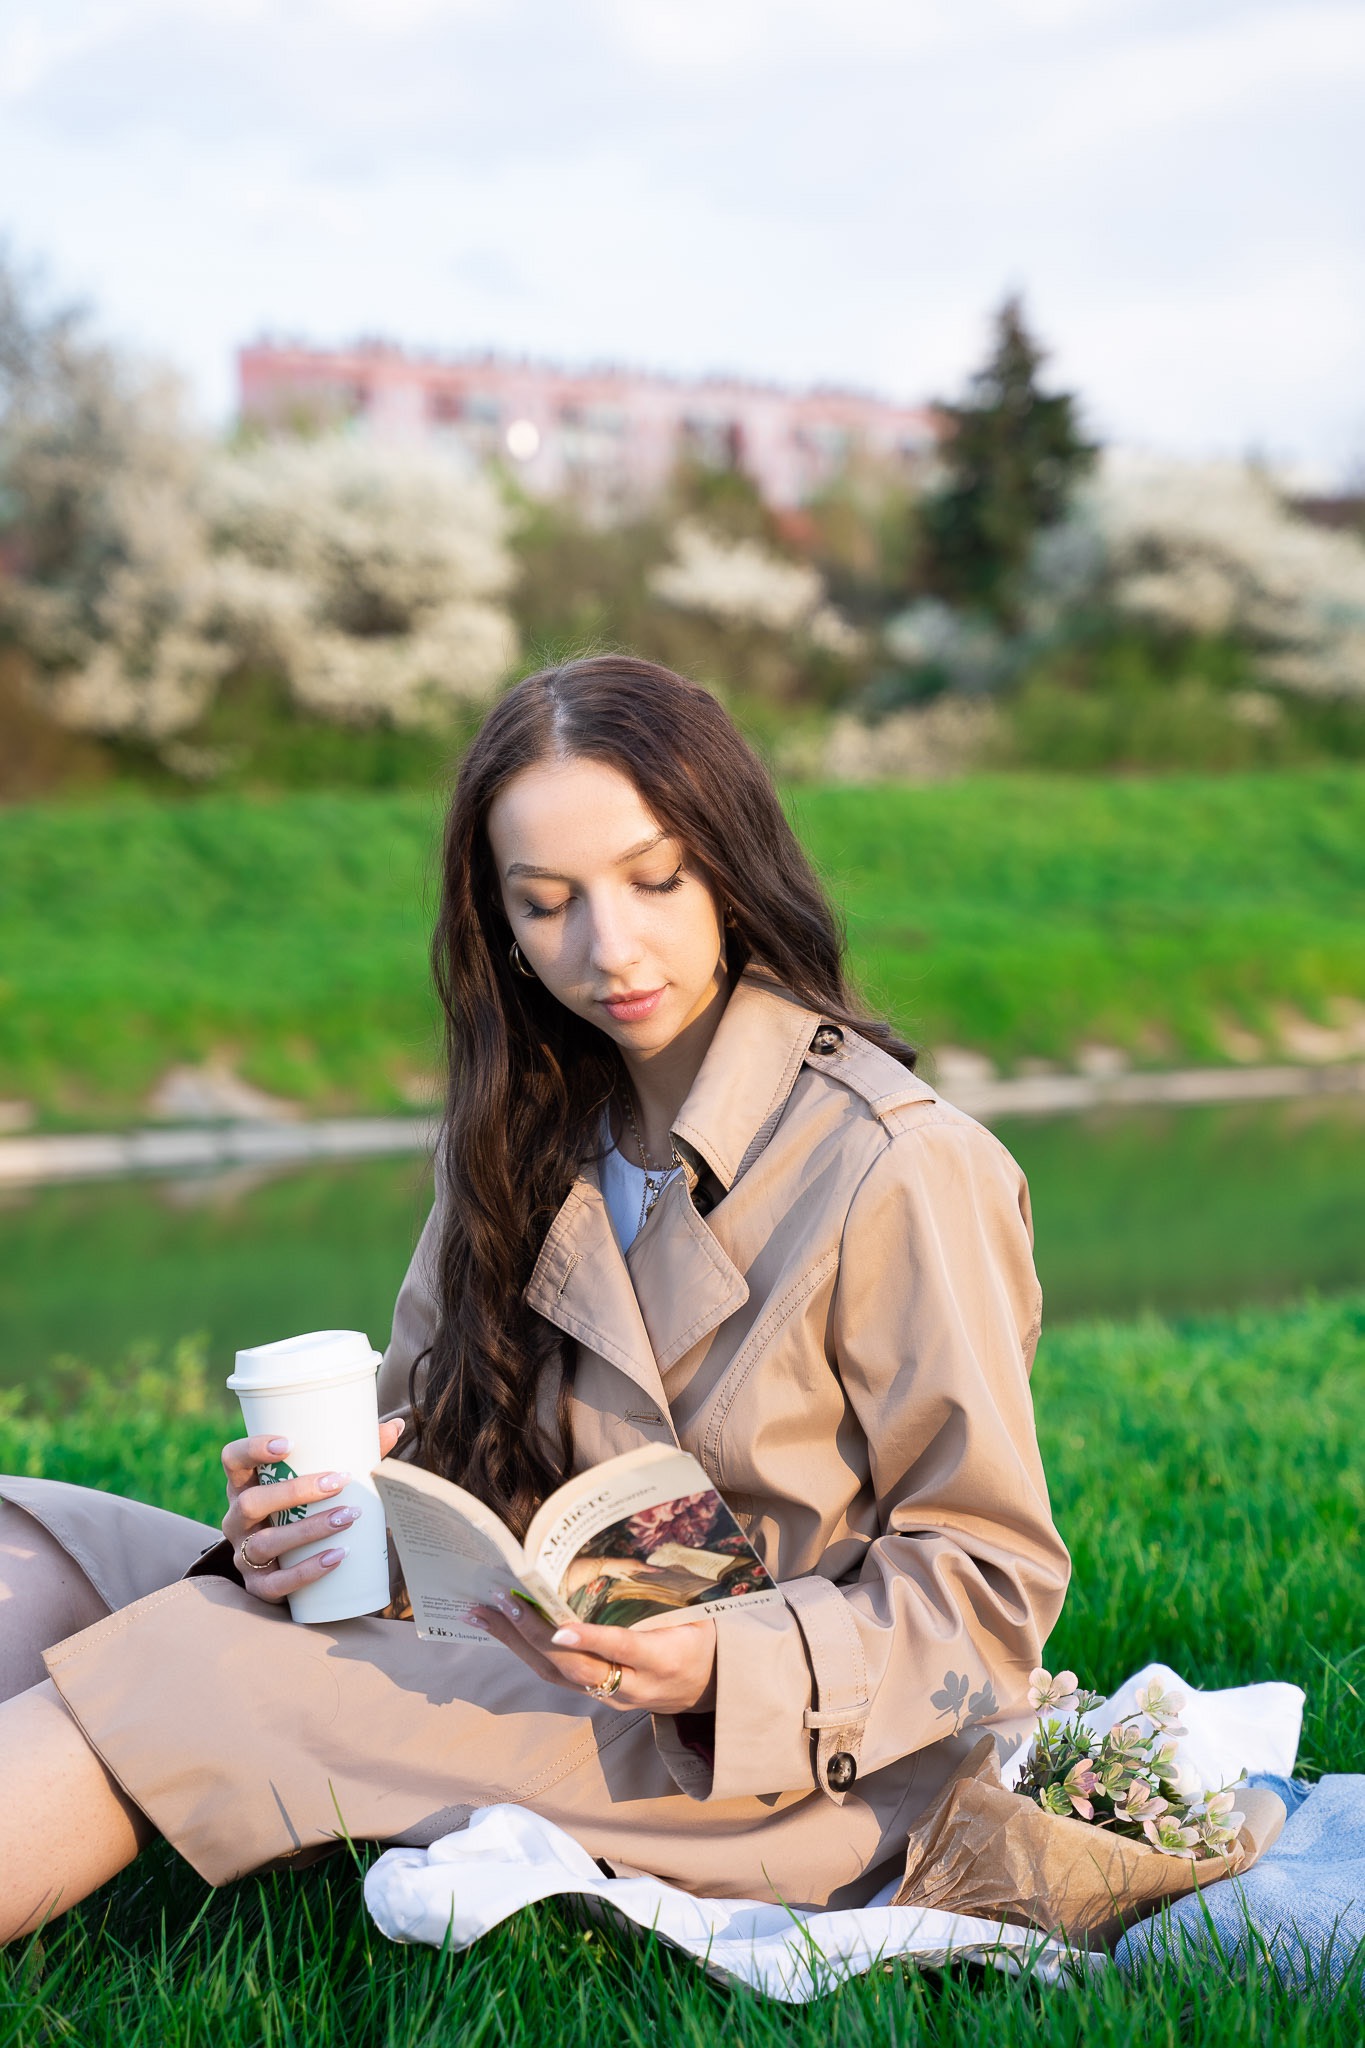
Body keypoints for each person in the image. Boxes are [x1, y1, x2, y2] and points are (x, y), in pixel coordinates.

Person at [0, 655, 1069, 1943]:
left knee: (183, 1664)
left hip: (758, 1762)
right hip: (516, 1656)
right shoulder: (518, 1135)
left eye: (656, 879)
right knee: (28, 1545)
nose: (610, 947)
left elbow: (993, 1584)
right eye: (548, 902)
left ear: (733, 863)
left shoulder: (898, 1161)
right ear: (499, 922)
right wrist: (299, 1528)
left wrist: (721, 1663)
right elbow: (430, 1460)